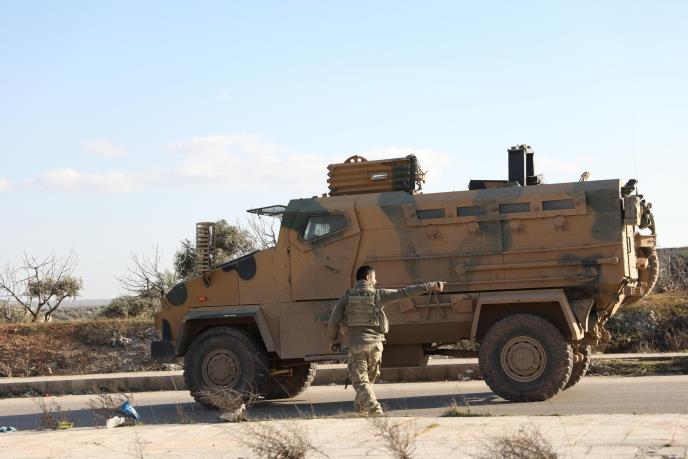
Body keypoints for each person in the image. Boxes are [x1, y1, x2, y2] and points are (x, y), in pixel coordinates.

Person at [328, 265, 445, 415]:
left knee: (361, 383)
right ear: (368, 278)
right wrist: (431, 285)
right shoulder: (379, 295)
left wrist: (335, 341)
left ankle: (375, 411)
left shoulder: (346, 297)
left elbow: (333, 323)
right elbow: (405, 292)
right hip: (376, 347)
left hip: (357, 346)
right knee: (367, 383)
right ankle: (361, 411)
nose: (376, 281)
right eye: (374, 278)